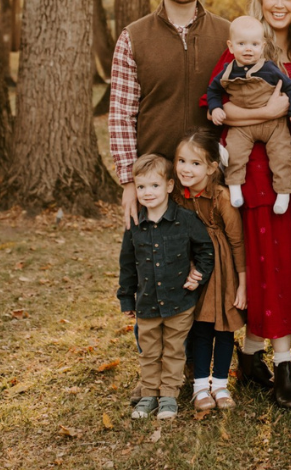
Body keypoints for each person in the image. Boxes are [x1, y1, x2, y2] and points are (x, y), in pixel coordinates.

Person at [212, 0, 291, 413]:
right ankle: (284, 368)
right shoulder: (246, 48)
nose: (279, 4)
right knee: (269, 266)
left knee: (284, 268)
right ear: (260, 0)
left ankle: (251, 355)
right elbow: (216, 106)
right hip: (255, 176)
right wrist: (271, 111)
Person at [110, 0, 230, 231]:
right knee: (155, 260)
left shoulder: (228, 35)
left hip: (213, 185)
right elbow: (121, 115)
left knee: (216, 259)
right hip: (156, 184)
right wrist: (129, 182)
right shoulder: (133, 37)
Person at [117, 154, 215, 420]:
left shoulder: (185, 220)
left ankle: (169, 395)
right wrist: (126, 299)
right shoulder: (135, 224)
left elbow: (206, 250)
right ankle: (149, 393)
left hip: (179, 302)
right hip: (147, 302)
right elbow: (127, 264)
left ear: (170, 186)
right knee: (149, 351)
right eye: (141, 187)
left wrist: (198, 275)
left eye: (154, 185)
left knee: (173, 350)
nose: (147, 192)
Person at [172, 129, 247, 412]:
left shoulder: (221, 197)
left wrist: (243, 284)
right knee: (200, 328)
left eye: (195, 163)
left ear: (212, 167)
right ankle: (200, 387)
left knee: (224, 329)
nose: (186, 169)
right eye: (181, 161)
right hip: (193, 268)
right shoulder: (178, 196)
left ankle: (221, 385)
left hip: (223, 270)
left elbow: (237, 241)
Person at [206, 16, 291, 214]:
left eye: (254, 44)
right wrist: (215, 108)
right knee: (234, 153)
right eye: (241, 44)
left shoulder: (269, 69)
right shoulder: (226, 72)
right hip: (242, 127)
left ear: (262, 46)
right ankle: (235, 188)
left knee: (282, 155)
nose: (248, 49)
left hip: (274, 125)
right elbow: (212, 91)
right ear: (231, 46)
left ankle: (283, 193)